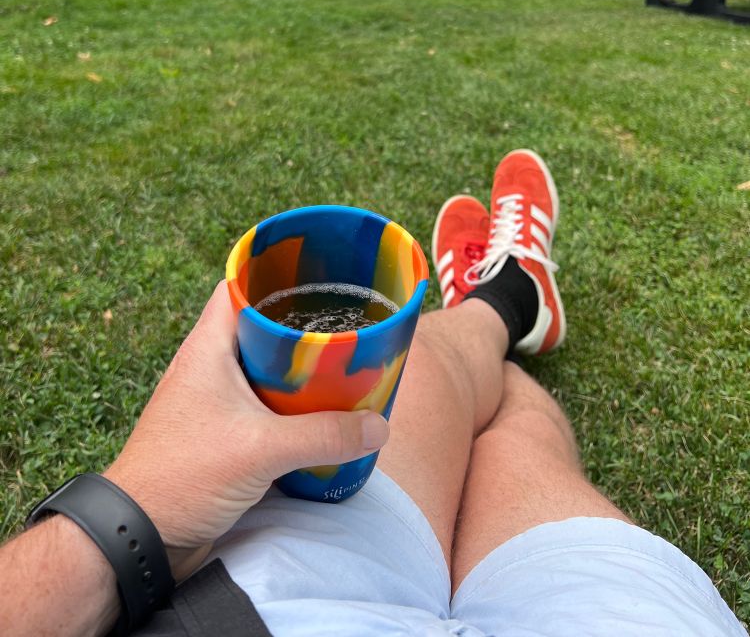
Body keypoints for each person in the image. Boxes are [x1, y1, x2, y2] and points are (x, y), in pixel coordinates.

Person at [1, 149, 744, 637]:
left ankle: (495, 310)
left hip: (250, 616)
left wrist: (126, 523)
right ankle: (506, 302)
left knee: (453, 384)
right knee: (520, 433)